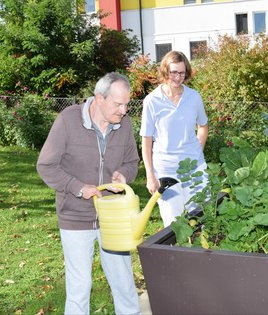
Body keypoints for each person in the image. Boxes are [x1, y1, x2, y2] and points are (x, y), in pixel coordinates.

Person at [36, 72, 140, 315]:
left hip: (113, 217)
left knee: (124, 284)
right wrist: (78, 188)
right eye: (118, 104)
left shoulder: (124, 124)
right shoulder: (68, 120)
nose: (124, 110)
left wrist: (123, 175)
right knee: (79, 287)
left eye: (127, 104)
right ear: (99, 98)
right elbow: (46, 165)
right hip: (75, 216)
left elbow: (132, 162)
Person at [140, 50, 209, 227]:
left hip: (195, 168)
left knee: (202, 218)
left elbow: (203, 126)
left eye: (182, 72)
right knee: (174, 224)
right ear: (165, 71)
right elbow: (147, 140)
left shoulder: (194, 97)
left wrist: (196, 151)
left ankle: (200, 254)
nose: (178, 77)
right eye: (174, 72)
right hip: (166, 169)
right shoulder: (152, 101)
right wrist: (150, 175)